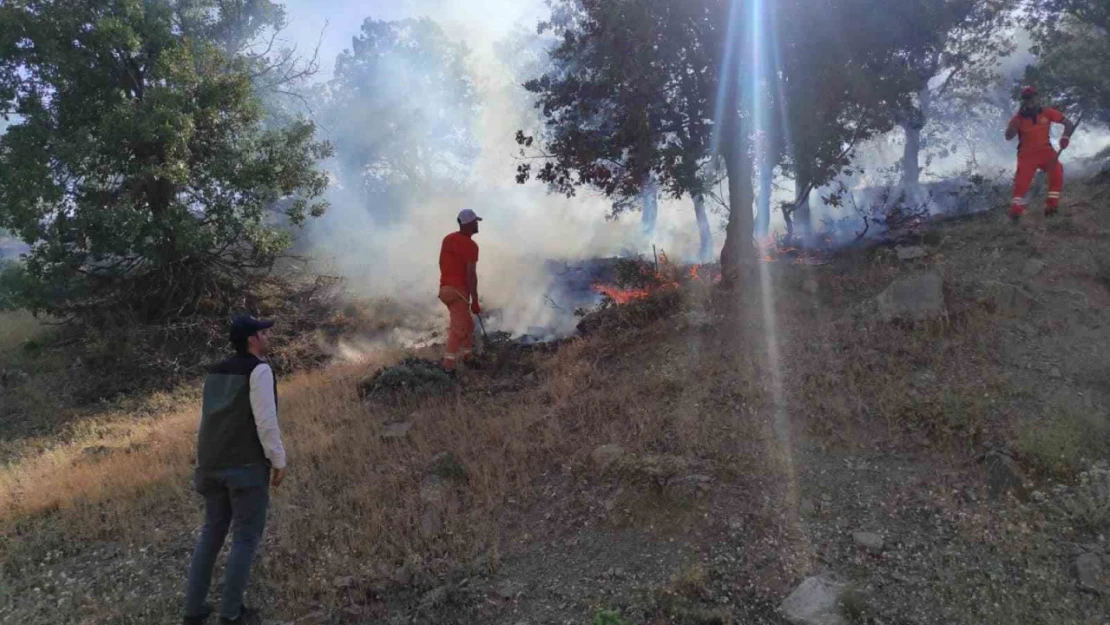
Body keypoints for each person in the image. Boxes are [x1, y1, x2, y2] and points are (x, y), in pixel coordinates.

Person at [183, 316, 287, 625]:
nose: (268, 337)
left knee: (211, 535)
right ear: (252, 340)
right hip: (245, 468)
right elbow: (266, 422)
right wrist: (278, 460)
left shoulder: (214, 373)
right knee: (245, 538)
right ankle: (231, 615)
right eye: (264, 333)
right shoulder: (259, 370)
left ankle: (194, 611)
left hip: (210, 466)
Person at [1005, 85, 1076, 221]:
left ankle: (1051, 206)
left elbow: (1068, 124)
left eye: (1032, 97)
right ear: (1024, 101)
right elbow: (1008, 137)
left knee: (1057, 171)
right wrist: (1014, 125)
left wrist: (1065, 137)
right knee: (1022, 182)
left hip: (1046, 151)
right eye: (1027, 98)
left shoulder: (1048, 112)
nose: (1030, 101)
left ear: (1037, 98)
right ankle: (1016, 211)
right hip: (1026, 154)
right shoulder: (1018, 118)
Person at [438, 209, 483, 373]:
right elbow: (471, 275)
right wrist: (475, 302)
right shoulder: (471, 246)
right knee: (459, 328)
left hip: (445, 289)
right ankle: (447, 368)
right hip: (458, 291)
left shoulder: (448, 239)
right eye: (475, 222)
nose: (477, 224)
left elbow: (442, 263)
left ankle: (468, 357)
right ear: (470, 224)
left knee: (468, 324)